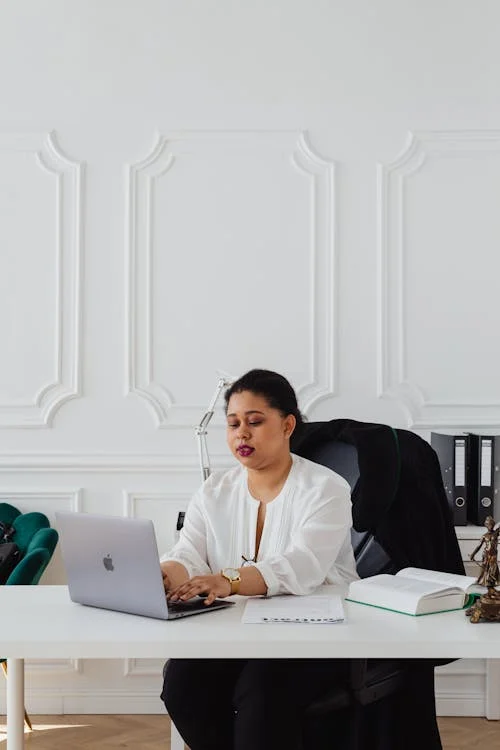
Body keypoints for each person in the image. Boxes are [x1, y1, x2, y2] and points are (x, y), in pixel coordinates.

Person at [159, 368, 358, 750]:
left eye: (254, 421)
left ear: (287, 425)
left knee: (261, 695)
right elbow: (188, 551)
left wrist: (228, 579)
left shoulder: (326, 488)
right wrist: (165, 575)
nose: (241, 434)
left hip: (314, 635)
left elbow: (304, 565)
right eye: (233, 424)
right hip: (237, 631)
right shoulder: (214, 489)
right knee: (183, 685)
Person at [470, 515, 500, 589]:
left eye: (492, 524)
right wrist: (473, 554)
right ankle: (481, 580)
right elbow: (478, 546)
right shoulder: (484, 536)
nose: (490, 526)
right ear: (486, 525)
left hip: (493, 554)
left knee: (493, 567)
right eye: (489, 524)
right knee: (484, 566)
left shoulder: (496, 533)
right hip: (486, 554)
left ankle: (492, 580)